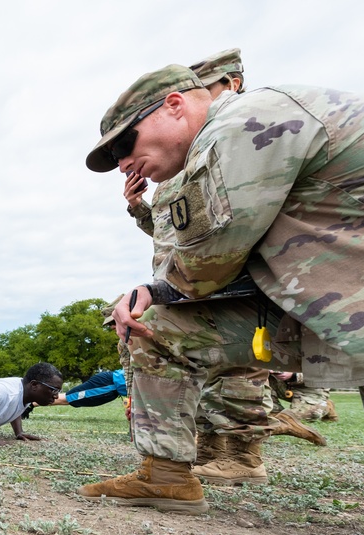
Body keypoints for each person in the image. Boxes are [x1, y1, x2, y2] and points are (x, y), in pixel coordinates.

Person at [83, 64, 364, 519]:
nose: (122, 163)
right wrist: (160, 287)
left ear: (174, 105)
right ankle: (166, 476)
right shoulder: (219, 142)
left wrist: (155, 288)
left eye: (123, 144)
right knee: (160, 330)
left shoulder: (245, 123)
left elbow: (211, 261)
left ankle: (232, 455)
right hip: (353, 303)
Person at [119, 49, 324, 486]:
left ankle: (243, 455)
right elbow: (171, 234)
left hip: (234, 286)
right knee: (202, 367)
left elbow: (231, 236)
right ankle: (210, 449)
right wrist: (140, 209)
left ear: (227, 85)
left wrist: (161, 291)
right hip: (191, 280)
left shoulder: (238, 136)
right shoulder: (179, 166)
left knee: (237, 373)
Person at [269, 373, 337, 423]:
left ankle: (326, 406)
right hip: (284, 385)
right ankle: (274, 411)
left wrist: (294, 375)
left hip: (310, 390)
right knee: (261, 378)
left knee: (293, 420)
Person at [52, 369, 126, 408]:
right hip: (108, 385)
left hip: (112, 390)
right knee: (68, 398)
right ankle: (40, 400)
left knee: (68, 399)